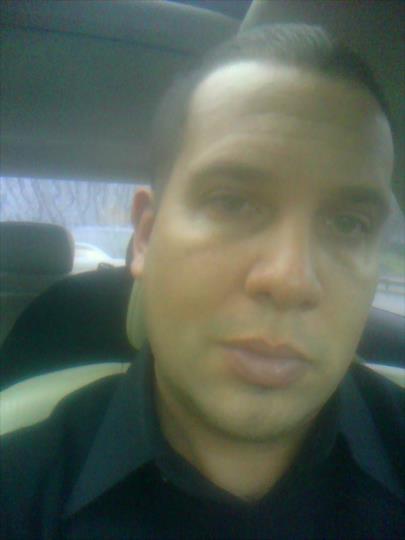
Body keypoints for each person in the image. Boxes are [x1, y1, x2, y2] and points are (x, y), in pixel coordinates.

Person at [1, 24, 403, 539]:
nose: (291, 280)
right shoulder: (18, 492)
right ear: (145, 238)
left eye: (349, 224)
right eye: (232, 202)